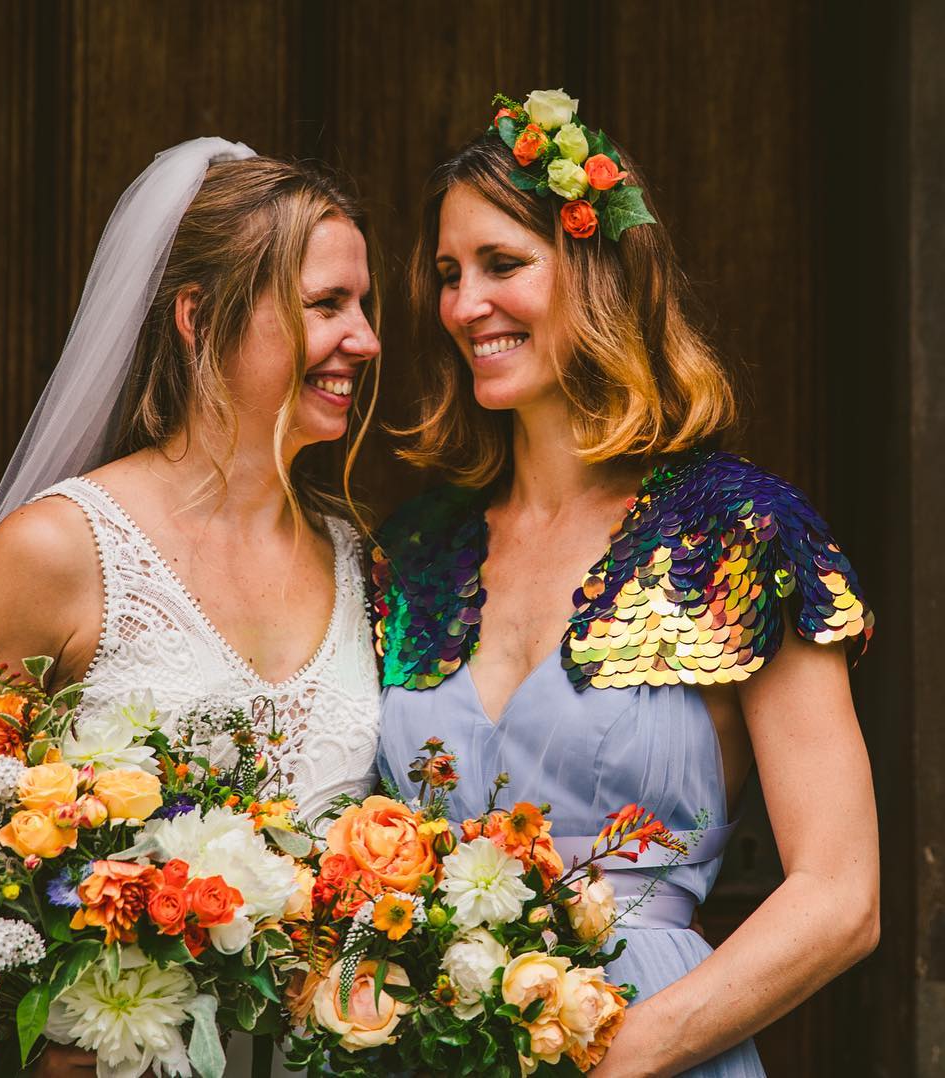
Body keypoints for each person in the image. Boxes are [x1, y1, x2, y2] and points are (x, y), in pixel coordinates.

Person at [372, 90, 879, 1076]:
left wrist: (621, 1052)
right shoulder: (412, 552)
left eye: (501, 264)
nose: (463, 304)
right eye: (447, 273)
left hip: (648, 1043)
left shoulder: (741, 536)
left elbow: (841, 894)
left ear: (595, 272)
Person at [0, 138, 383, 1077]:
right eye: (325, 306)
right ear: (199, 317)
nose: (365, 338)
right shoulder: (58, 551)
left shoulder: (362, 564)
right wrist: (35, 1014)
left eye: (363, 305)